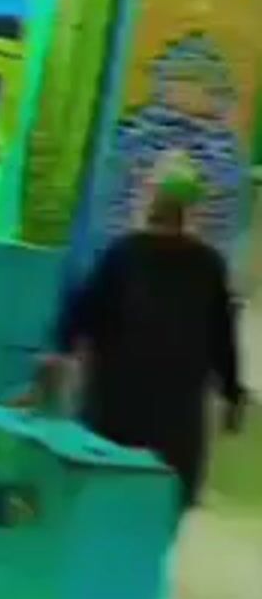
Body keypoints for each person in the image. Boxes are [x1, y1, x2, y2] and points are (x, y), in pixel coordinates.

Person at [49, 166, 244, 511]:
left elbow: (81, 315)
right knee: (159, 513)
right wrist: (232, 395)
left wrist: (59, 352)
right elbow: (222, 341)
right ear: (192, 212)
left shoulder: (123, 255)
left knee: (102, 506)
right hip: (175, 430)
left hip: (114, 415)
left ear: (150, 202)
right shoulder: (208, 267)